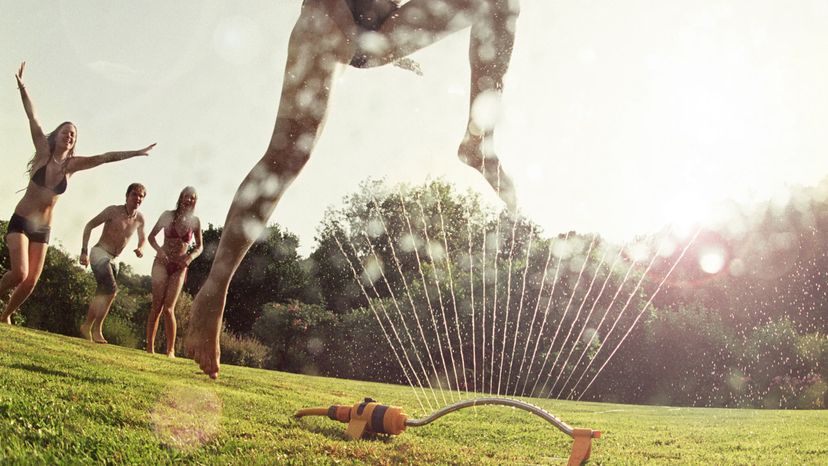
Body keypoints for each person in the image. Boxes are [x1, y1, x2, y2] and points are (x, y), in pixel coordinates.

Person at [186, 0, 521, 377]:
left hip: (382, 28)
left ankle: (478, 140)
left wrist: (395, 43)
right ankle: (214, 292)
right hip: (327, 21)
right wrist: (364, 39)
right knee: (284, 160)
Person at [1, 62, 156, 325]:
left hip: (43, 229)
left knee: (31, 281)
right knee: (19, 273)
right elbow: (33, 117)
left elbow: (105, 157)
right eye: (65, 131)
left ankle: (5, 316)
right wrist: (22, 88)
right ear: (57, 135)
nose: (69, 136)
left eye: (73, 134)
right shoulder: (42, 152)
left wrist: (136, 153)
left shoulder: (72, 166)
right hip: (22, 221)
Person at [78, 183, 148, 343]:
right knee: (111, 290)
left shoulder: (140, 219)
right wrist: (84, 251)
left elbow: (143, 238)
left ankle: (86, 326)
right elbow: (89, 226)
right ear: (127, 196)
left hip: (113, 259)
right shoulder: (113, 211)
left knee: (102, 294)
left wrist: (141, 248)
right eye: (134, 194)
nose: (137, 198)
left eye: (141, 196)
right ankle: (97, 329)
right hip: (99, 252)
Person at [146, 187, 203, 357]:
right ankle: (150, 347)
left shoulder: (195, 222)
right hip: (161, 263)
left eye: (193, 198)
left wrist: (190, 257)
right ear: (180, 198)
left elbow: (200, 246)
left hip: (180, 266)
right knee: (156, 305)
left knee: (169, 308)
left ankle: (170, 350)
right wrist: (160, 251)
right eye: (186, 197)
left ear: (195, 201)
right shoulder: (167, 215)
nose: (189, 200)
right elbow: (151, 237)